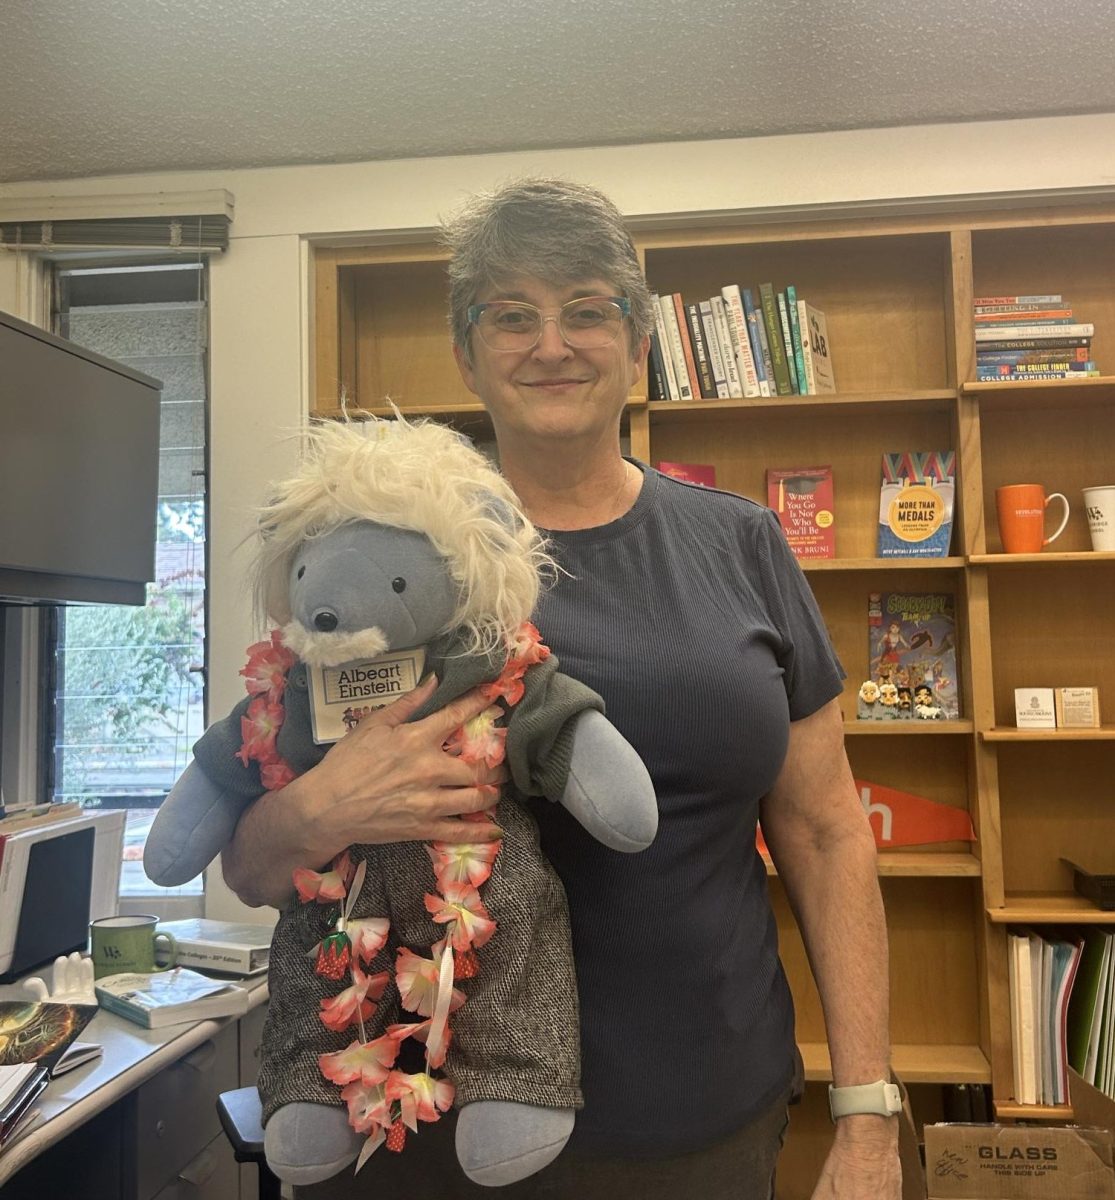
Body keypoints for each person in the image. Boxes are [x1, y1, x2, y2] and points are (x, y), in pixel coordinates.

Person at [222, 178, 902, 1199]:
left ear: (636, 346)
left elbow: (823, 831)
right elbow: (249, 863)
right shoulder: (377, 562)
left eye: (587, 310)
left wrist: (867, 1115)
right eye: (512, 315)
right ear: (466, 352)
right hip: (419, 1136)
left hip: (697, 1122)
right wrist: (314, 811)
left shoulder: (742, 545)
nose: (552, 344)